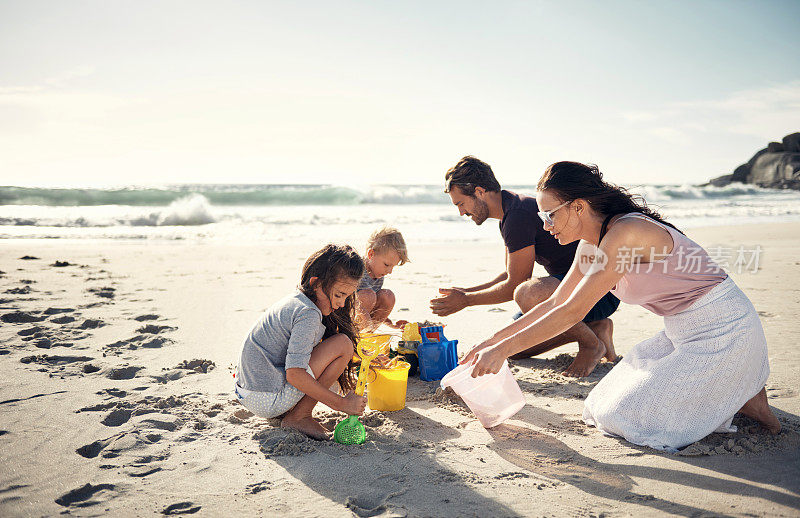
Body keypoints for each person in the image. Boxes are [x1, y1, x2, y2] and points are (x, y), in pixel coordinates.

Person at [463, 161, 780, 451]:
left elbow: (571, 311)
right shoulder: (591, 243)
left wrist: (502, 351)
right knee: (603, 406)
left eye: (550, 215)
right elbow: (557, 300)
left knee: (626, 417)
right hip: (680, 332)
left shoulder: (625, 233)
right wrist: (491, 342)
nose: (545, 226)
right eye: (540, 217)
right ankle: (737, 387)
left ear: (578, 207)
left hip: (723, 327)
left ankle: (744, 390)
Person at [431, 156, 620, 376]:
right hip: (573, 292)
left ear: (480, 192)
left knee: (527, 294)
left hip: (595, 293)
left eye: (461, 204)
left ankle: (591, 345)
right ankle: (596, 328)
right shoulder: (509, 213)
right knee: (517, 349)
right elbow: (509, 275)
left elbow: (515, 285)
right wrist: (464, 293)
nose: (461, 212)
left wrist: (466, 301)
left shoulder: (517, 215)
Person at [235, 244, 368, 440]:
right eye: (339, 295)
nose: (341, 303)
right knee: (343, 345)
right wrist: (341, 404)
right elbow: (295, 375)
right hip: (266, 398)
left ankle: (295, 413)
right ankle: (299, 416)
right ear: (316, 283)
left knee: (344, 346)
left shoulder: (297, 301)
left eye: (346, 296)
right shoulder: (308, 313)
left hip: (249, 392)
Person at [356, 226, 410, 330]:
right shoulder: (357, 268)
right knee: (369, 295)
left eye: (392, 267)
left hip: (362, 319)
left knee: (388, 296)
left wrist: (392, 325)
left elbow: (375, 307)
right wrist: (367, 322)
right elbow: (350, 302)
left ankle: (367, 336)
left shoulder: (378, 273)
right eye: (386, 265)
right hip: (343, 317)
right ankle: (354, 335)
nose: (389, 271)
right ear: (371, 254)